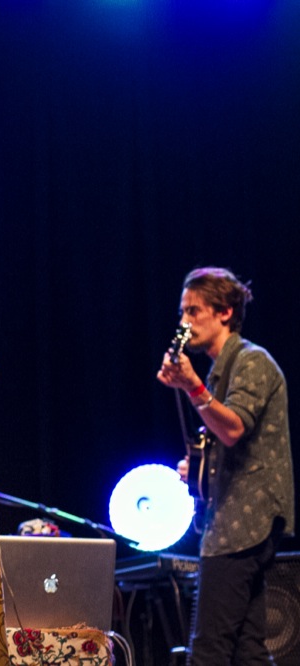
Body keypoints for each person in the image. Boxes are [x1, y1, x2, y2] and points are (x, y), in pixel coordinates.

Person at [157, 266, 294, 664]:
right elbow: (228, 438)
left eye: (193, 311)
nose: (184, 322)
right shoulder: (222, 373)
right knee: (248, 650)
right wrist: (199, 468)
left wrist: (192, 385)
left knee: (209, 649)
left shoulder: (252, 362)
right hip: (236, 522)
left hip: (243, 524)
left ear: (225, 312)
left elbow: (233, 429)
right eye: (182, 312)